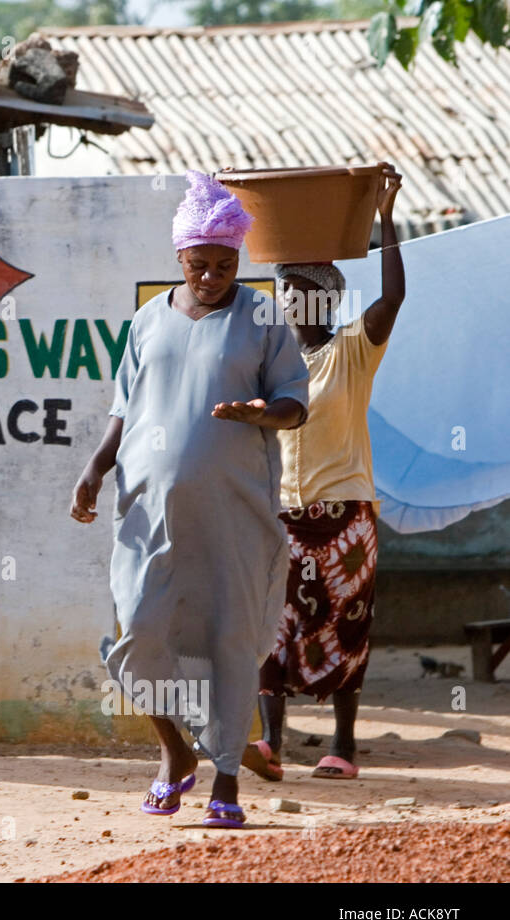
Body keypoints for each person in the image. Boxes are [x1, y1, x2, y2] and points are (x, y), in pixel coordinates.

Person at [70, 170, 310, 828]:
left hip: (232, 517)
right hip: (149, 513)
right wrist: (93, 469)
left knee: (227, 641)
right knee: (140, 633)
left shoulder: (262, 317)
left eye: (225, 263)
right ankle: (176, 754)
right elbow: (125, 409)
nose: (212, 276)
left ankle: (226, 782)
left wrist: (266, 411)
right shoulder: (148, 320)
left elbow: (295, 403)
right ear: (180, 258)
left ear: (239, 259)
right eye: (200, 264)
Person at [243, 163, 405, 783]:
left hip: (345, 515)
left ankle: (343, 746)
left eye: (290, 295)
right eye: (279, 296)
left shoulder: (351, 352)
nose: (281, 306)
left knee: (345, 625)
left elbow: (393, 298)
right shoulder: (269, 367)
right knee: (271, 625)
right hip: (280, 511)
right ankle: (271, 745)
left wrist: (385, 219)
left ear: (318, 298)